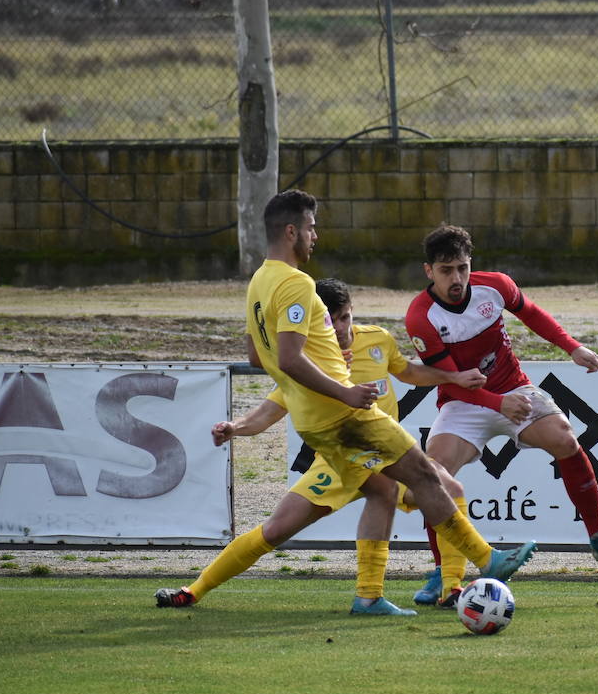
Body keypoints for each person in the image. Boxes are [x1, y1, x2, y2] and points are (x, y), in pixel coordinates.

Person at [154, 193, 536, 612]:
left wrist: (321, 369)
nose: (315, 235)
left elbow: (258, 356)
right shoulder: (296, 284)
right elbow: (288, 360)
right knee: (428, 476)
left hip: (317, 424)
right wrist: (343, 389)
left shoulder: (258, 283)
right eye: (311, 227)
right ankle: (487, 560)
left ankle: (383, 594)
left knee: (383, 491)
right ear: (292, 231)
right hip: (344, 418)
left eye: (342, 318)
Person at [206, 277, 481, 614]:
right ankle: (193, 589)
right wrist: (234, 427)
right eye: (330, 320)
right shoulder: (311, 362)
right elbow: (268, 411)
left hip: (385, 459)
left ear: (352, 312)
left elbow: (408, 371)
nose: (338, 328)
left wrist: (453, 377)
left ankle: (450, 589)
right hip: (337, 463)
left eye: (344, 317)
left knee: (448, 488)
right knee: (275, 530)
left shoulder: (378, 339)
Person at [404, 223, 598, 607]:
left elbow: (531, 313)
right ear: (429, 271)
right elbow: (452, 381)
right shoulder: (421, 317)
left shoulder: (495, 286)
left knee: (565, 438)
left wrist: (572, 347)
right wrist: (497, 404)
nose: (457, 279)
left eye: (462, 268)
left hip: (514, 388)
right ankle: (441, 571)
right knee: (435, 474)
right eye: (446, 271)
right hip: (464, 402)